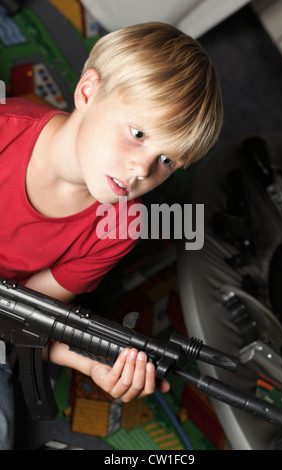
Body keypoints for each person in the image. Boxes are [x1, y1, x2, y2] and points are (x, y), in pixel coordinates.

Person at [0, 22, 223, 448]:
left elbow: (23, 315)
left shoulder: (120, 226)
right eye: (138, 134)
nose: (144, 170)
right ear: (87, 92)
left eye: (167, 161)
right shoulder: (4, 132)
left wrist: (91, 364)